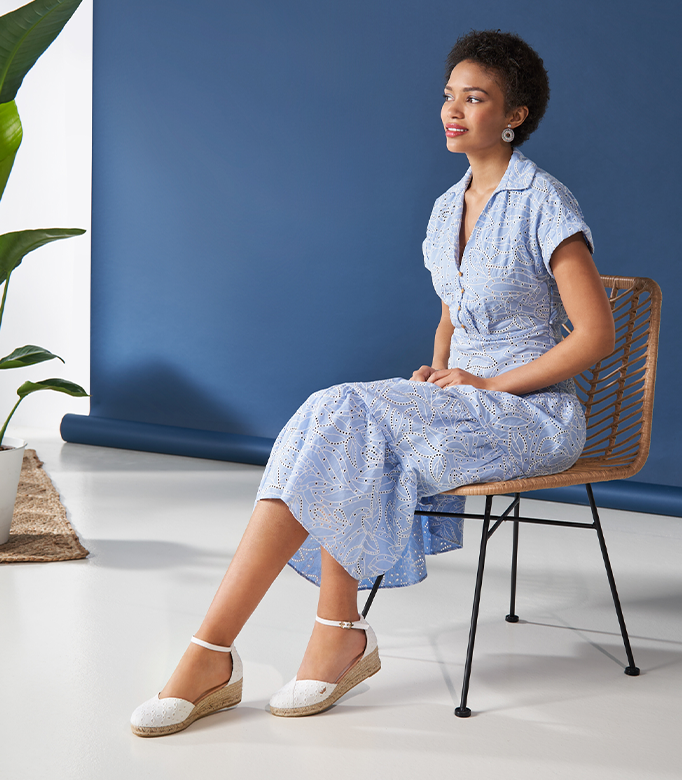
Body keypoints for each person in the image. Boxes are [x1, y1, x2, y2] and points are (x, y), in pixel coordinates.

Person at [130, 29, 615, 736]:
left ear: (515, 114)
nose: (453, 110)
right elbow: (452, 309)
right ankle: (301, 640)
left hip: (531, 416)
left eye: (474, 98)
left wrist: (490, 384)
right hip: (463, 402)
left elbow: (596, 337)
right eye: (449, 96)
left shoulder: (545, 202)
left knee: (348, 414)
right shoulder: (449, 206)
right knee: (343, 419)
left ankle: (240, 652)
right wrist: (436, 370)